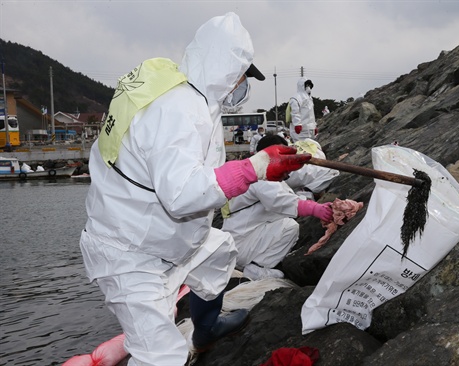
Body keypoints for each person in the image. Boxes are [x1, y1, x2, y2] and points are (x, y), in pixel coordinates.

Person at [79, 13, 311, 366]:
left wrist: (259, 171)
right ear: (226, 70)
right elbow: (182, 195)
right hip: (129, 252)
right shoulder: (179, 110)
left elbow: (202, 172)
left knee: (218, 254)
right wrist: (257, 166)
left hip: (169, 234)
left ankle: (206, 331)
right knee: (163, 356)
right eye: (242, 76)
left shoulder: (193, 96)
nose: (242, 85)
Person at [222, 135, 333, 280]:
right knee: (289, 226)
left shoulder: (253, 170)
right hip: (242, 244)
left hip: (239, 240)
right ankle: (257, 269)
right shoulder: (261, 176)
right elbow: (280, 201)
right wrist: (315, 209)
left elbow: (283, 196)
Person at [289, 77, 317, 142]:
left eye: (309, 85)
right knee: (300, 148)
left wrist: (314, 126)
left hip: (310, 130)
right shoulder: (296, 97)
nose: (308, 87)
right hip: (300, 131)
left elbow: (311, 115)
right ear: (302, 85)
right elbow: (295, 112)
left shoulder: (310, 98)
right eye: (307, 85)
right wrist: (297, 124)